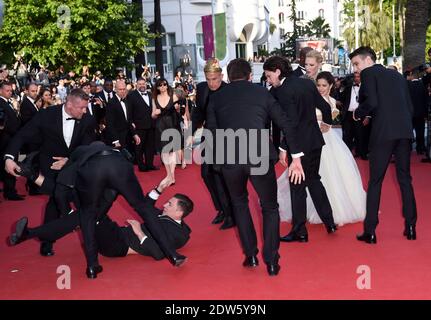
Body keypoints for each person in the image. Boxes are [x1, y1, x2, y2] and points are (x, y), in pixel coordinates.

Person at [206, 58, 304, 276]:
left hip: (229, 159)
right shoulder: (262, 93)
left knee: (239, 205)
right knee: (269, 206)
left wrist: (217, 164)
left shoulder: (217, 98)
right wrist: (295, 156)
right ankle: (271, 261)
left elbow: (211, 132)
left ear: (228, 77)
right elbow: (286, 122)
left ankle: (250, 256)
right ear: (250, 75)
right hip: (258, 156)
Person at [4, 89, 98, 256]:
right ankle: (48, 239)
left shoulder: (88, 120)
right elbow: (22, 135)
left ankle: (48, 232)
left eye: (86, 107)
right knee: (56, 201)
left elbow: (88, 148)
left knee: (70, 203)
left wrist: (69, 161)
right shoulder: (46, 115)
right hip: (51, 168)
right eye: (82, 108)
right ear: (69, 104)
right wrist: (9, 157)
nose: (85, 111)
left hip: (75, 167)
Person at [263, 56, 337, 243]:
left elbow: (291, 123)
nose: (268, 79)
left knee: (297, 187)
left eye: (268, 75)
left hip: (299, 145)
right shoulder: (306, 84)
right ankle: (329, 222)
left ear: (278, 71)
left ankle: (300, 231)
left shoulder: (282, 91)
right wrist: (327, 123)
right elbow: (324, 106)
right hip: (315, 142)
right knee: (314, 180)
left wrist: (283, 147)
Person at [277, 71, 366, 226]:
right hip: (314, 141)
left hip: (321, 141)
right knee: (313, 180)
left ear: (331, 86)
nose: (320, 88)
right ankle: (327, 219)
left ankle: (313, 221)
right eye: (318, 85)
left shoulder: (329, 100)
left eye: (324, 85)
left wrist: (325, 123)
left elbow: (307, 119)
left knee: (319, 178)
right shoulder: (311, 97)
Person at [350, 46, 417, 243]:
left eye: (357, 64)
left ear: (368, 60)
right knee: (405, 179)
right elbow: (409, 107)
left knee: (375, 181)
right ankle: (411, 227)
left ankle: (370, 231)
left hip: (383, 133)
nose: (355, 69)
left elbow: (372, 102)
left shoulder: (369, 74)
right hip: (404, 132)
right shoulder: (396, 76)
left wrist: (358, 113)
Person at [191, 58, 235, 230]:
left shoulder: (230, 91)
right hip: (208, 136)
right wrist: (190, 132)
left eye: (214, 79)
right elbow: (198, 112)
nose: (211, 83)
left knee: (221, 177)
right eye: (208, 79)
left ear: (221, 76)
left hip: (225, 137)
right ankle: (222, 209)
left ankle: (231, 213)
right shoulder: (201, 88)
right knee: (206, 174)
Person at [151, 78, 182, 188]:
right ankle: (169, 175)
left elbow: (179, 111)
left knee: (172, 151)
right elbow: (153, 115)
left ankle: (172, 175)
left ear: (167, 85)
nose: (163, 87)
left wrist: (177, 109)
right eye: (160, 85)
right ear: (157, 87)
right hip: (160, 126)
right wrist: (156, 113)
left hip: (171, 124)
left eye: (164, 84)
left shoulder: (173, 96)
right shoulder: (155, 98)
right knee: (164, 151)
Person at [128, 77, 157, 172]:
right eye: (140, 84)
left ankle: (150, 164)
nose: (142, 85)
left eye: (143, 84)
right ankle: (141, 165)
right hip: (139, 126)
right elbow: (129, 112)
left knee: (150, 147)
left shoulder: (150, 94)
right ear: (136, 85)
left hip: (151, 125)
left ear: (146, 84)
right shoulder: (131, 95)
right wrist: (132, 124)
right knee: (139, 147)